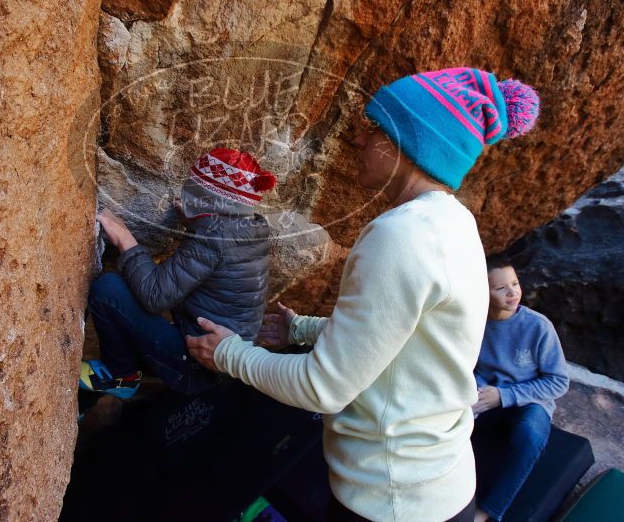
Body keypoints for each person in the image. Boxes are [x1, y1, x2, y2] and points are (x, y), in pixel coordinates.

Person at [186, 68, 541, 521]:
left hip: (391, 500)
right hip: (439, 485)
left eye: (374, 127)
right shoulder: (454, 223)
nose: (358, 138)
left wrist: (228, 354)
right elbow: (408, 341)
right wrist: (303, 328)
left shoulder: (400, 237)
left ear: (402, 144)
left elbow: (323, 388)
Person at [79, 148, 277, 398]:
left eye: (198, 194)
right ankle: (109, 382)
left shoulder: (214, 237)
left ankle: (121, 375)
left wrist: (124, 238)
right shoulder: (250, 228)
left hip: (194, 363)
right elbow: (217, 250)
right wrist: (198, 222)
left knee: (108, 290)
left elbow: (155, 295)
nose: (191, 198)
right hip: (217, 358)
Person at [471, 256, 570, 522]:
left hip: (530, 402)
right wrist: (479, 392)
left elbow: (559, 381)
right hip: (487, 396)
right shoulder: (474, 324)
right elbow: (472, 368)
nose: (512, 292)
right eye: (501, 288)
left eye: (515, 283)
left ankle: (485, 512)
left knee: (529, 434)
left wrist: (504, 396)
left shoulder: (538, 326)